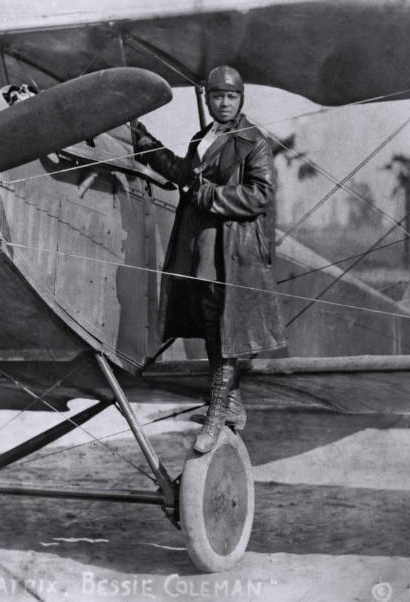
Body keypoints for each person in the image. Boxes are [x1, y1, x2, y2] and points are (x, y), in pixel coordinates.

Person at [132, 65, 287, 453]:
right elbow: (184, 172)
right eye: (217, 96)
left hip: (229, 251)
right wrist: (146, 143)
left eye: (231, 96)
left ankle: (217, 414)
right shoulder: (203, 137)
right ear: (208, 98)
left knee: (223, 332)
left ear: (241, 100)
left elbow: (261, 195)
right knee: (210, 324)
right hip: (199, 248)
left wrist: (213, 197)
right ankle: (232, 406)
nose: (223, 102)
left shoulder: (253, 142)